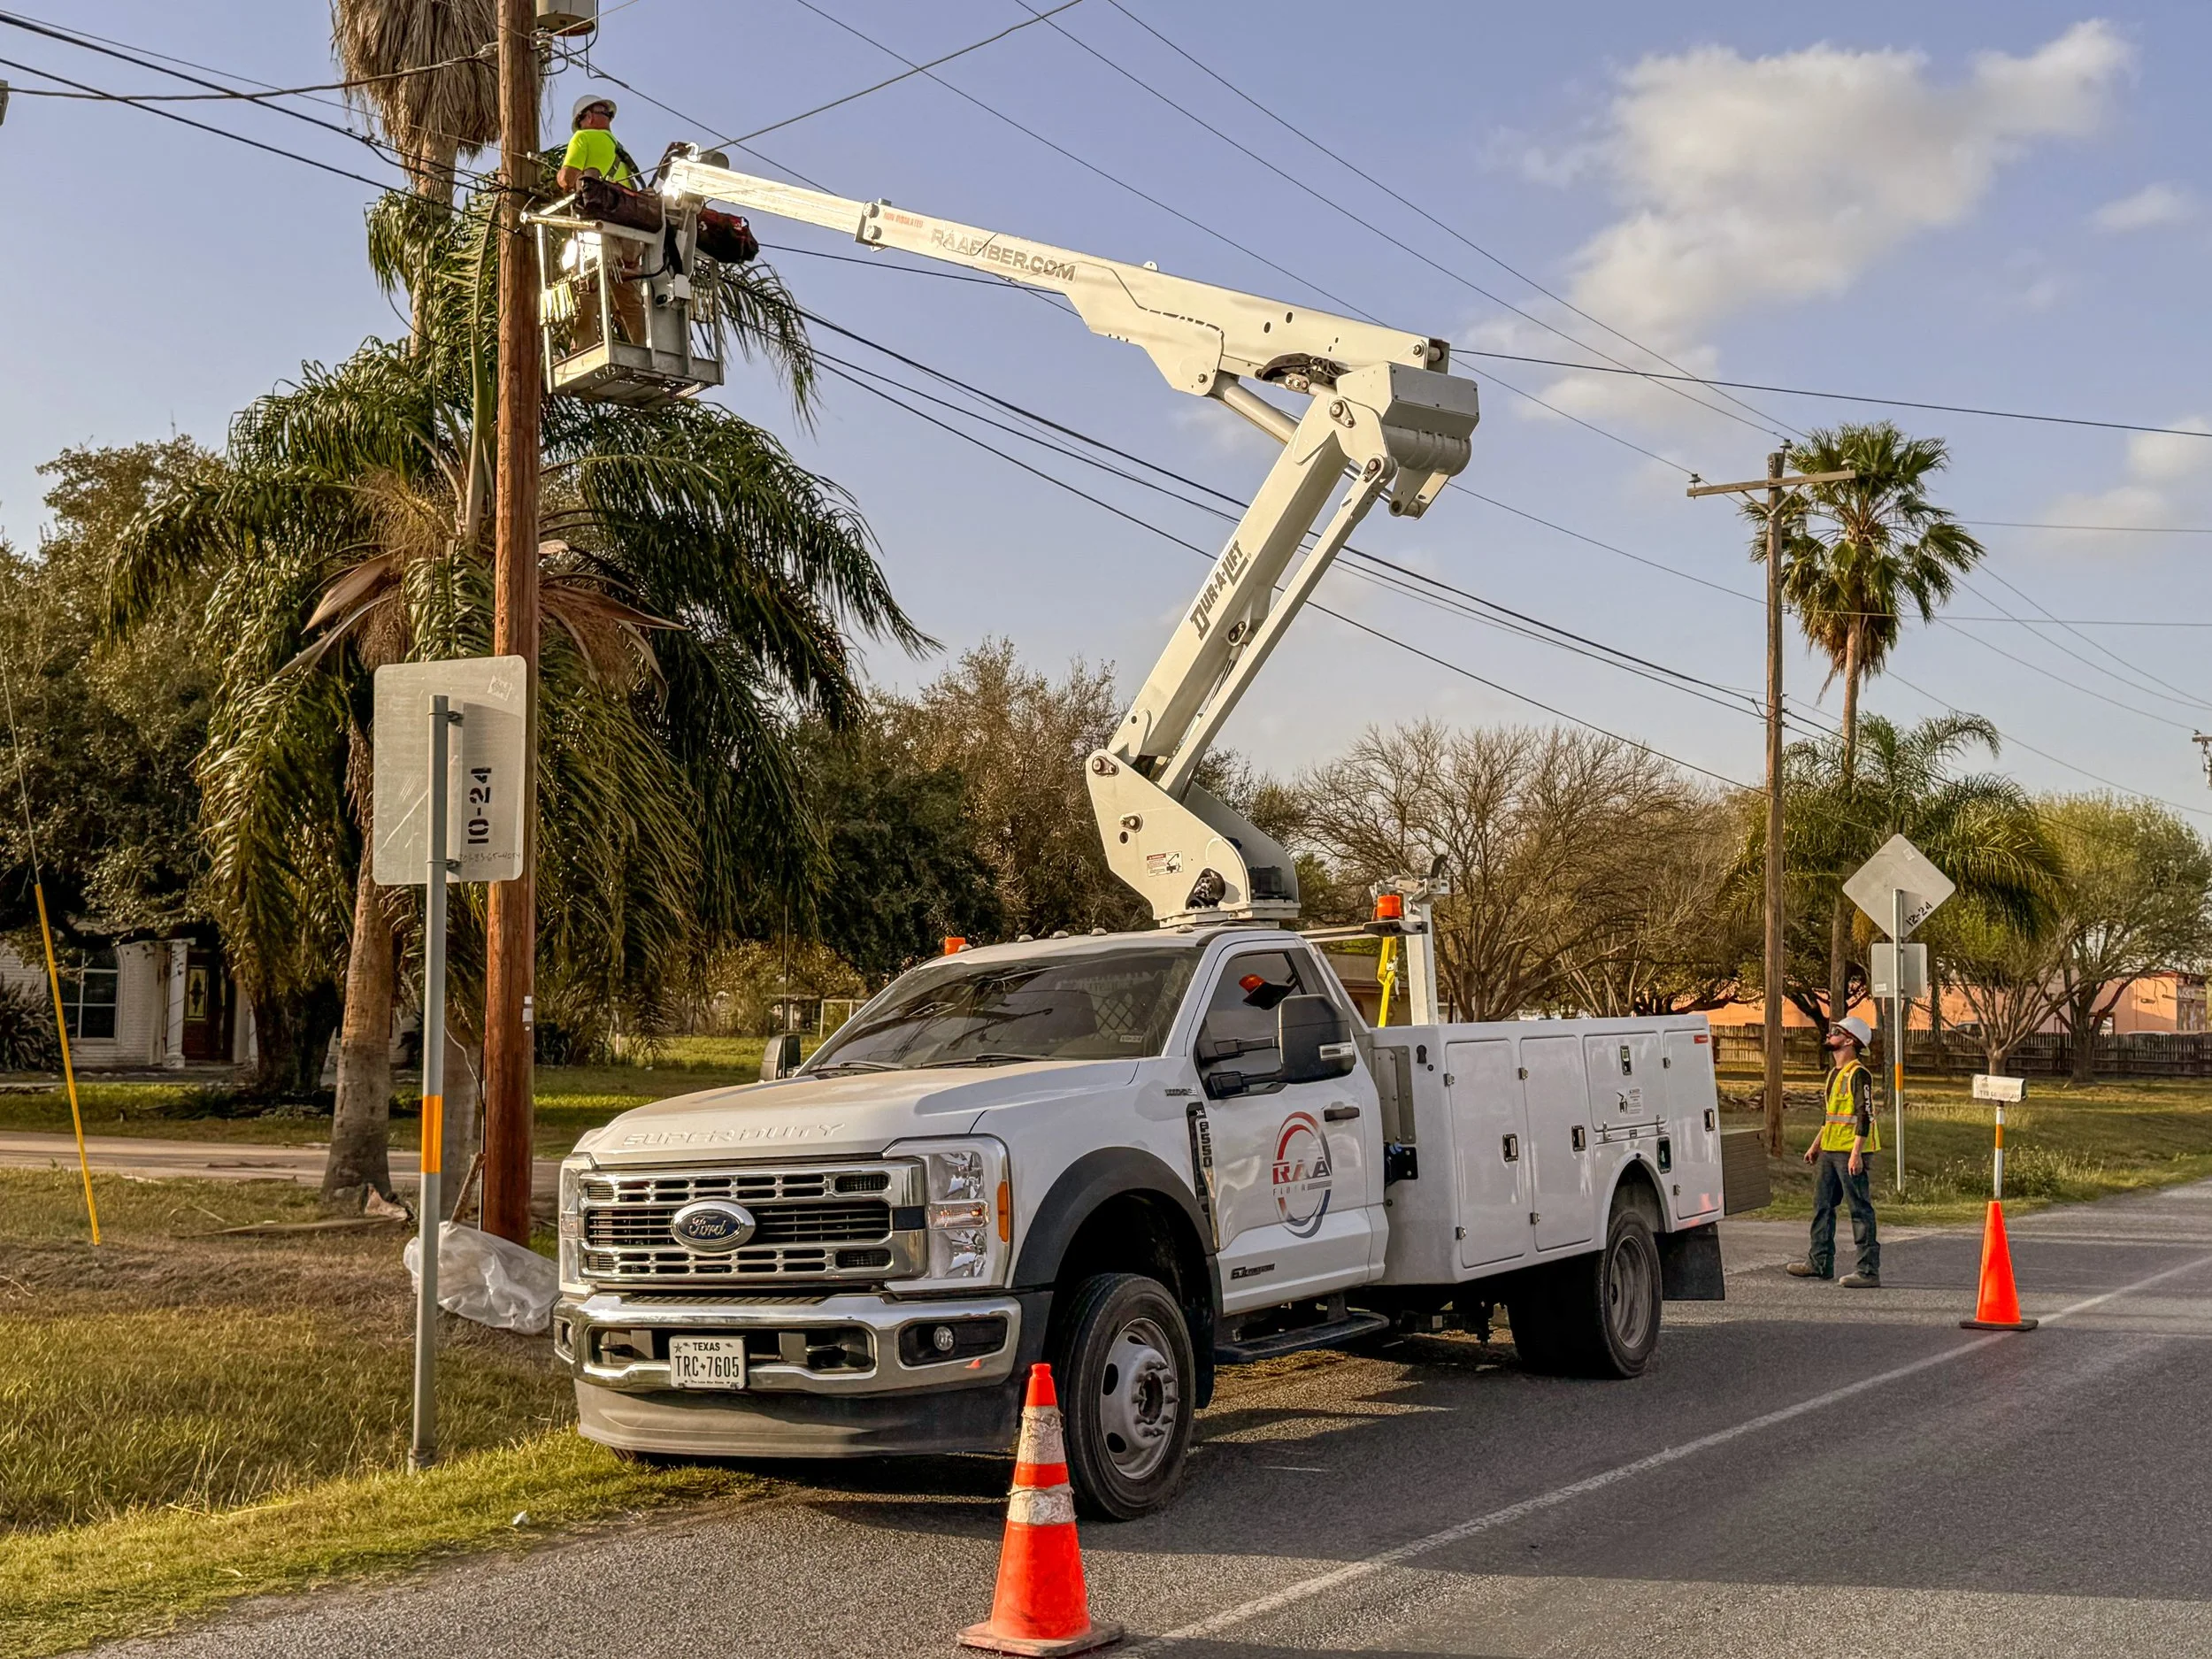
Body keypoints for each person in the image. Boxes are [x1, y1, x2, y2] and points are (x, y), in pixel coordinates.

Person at [1787, 1014, 1881, 1288]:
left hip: (1851, 1152)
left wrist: (1856, 1154)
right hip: (1830, 1150)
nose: (1830, 1035)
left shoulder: (1859, 1074)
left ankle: (1867, 1271)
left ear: (1850, 1041)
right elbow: (1831, 1116)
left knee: (1859, 1210)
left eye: (1836, 1032)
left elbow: (1865, 1115)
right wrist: (1816, 1145)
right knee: (1822, 1206)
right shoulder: (1834, 1073)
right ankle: (1819, 1263)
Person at [557, 96, 647, 348]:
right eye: (605, 112)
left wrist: (559, 177)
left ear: (586, 118)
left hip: (598, 230)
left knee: (587, 286)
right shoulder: (620, 149)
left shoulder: (582, 138)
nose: (606, 116)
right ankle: (643, 347)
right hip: (628, 233)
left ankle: (583, 346)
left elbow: (567, 179)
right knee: (627, 292)